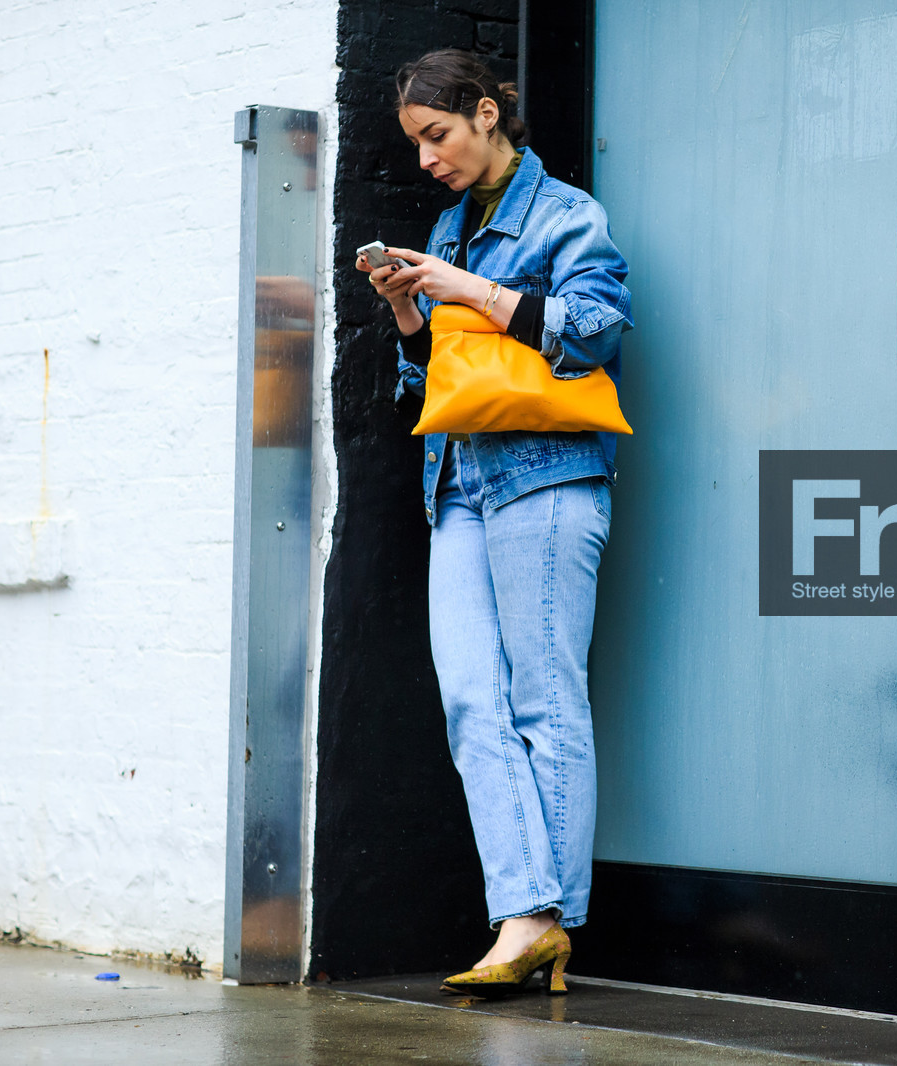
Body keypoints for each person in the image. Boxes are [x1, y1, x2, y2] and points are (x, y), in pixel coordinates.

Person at [356, 48, 631, 996]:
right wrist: (408, 314)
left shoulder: (566, 214)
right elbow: (432, 386)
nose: (427, 159)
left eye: (437, 135)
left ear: (485, 112)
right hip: (460, 486)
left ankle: (535, 924)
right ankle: (527, 914)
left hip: (547, 478)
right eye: (416, 143)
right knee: (473, 700)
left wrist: (468, 289)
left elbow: (595, 330)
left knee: (545, 701)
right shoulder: (449, 225)